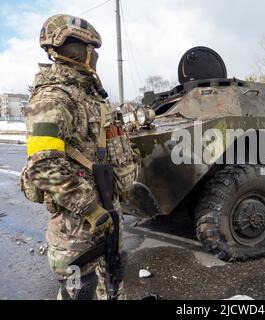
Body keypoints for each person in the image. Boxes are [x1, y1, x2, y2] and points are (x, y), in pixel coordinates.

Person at [20, 14, 139, 300]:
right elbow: (44, 165)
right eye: (91, 48)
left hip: (107, 217)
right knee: (79, 292)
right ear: (76, 50)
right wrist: (91, 210)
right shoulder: (54, 98)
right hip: (78, 228)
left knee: (112, 285)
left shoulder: (90, 97)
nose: (95, 55)